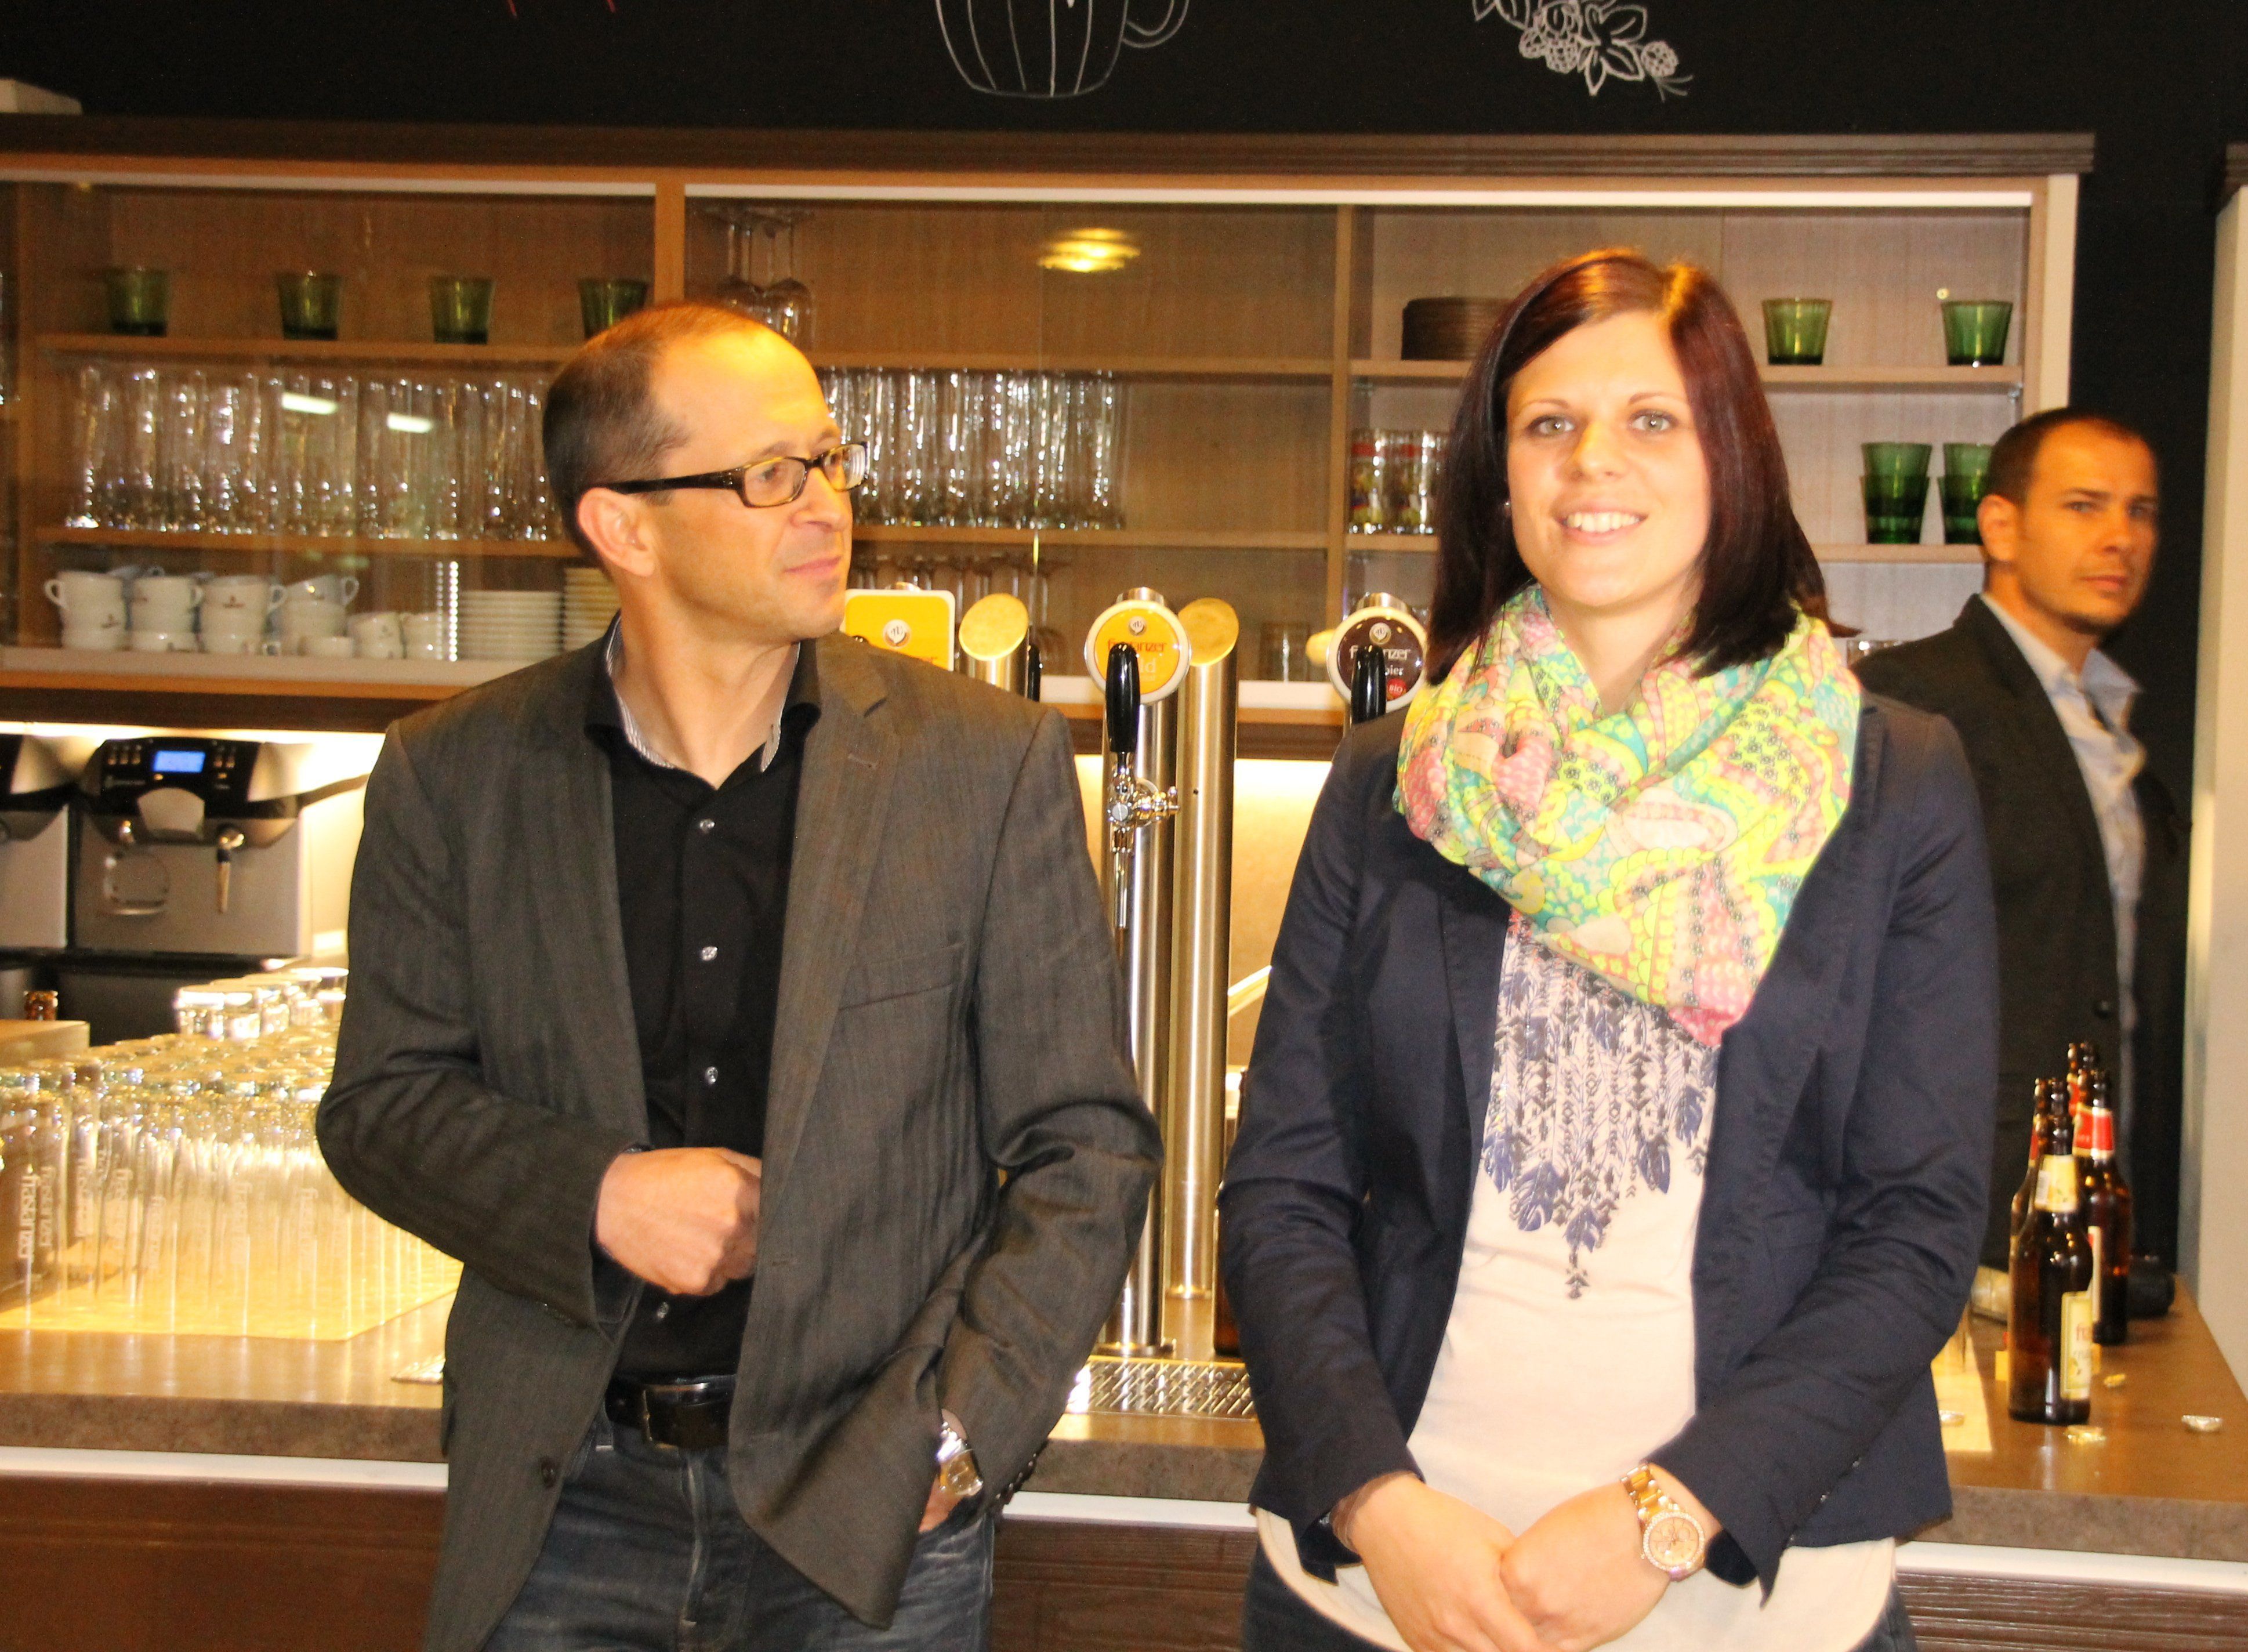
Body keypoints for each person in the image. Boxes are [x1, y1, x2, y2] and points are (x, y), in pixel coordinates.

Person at [317, 302, 1159, 1652]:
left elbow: (1086, 1144)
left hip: (864, 1504)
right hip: (563, 1502)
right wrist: (598, 1192)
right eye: (771, 474)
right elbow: (381, 1106)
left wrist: (961, 1436)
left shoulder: (980, 763)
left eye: (828, 460)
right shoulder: (454, 775)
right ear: (624, 526)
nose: (827, 505)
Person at [1220, 250, 1997, 1652]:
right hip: (1388, 1584)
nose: (1594, 462)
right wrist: (1381, 1505)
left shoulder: (1891, 783)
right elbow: (1285, 1186)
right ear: (1499, 475)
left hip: (1750, 1595)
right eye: (1549, 422)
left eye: (1652, 418)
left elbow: (1917, 1219)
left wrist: (1668, 1513)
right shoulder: (1397, 780)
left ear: (1732, 457)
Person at [1854, 410, 2186, 1284]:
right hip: (1949, 1213)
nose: (2120, 537)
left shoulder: (2112, 724)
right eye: (2084, 505)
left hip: (2089, 1199)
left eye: (2141, 512)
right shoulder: (1912, 701)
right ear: (2000, 526)